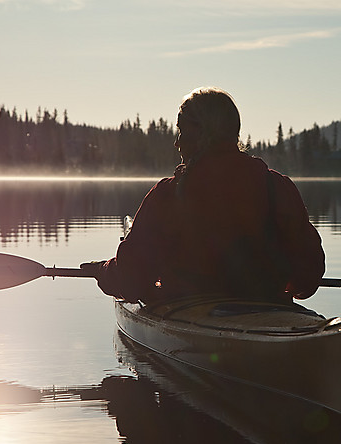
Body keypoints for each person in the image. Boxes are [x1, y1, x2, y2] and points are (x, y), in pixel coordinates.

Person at [83, 87, 325, 304]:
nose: (177, 143)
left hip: (189, 311)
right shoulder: (277, 187)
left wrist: (104, 272)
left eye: (182, 131)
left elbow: (130, 282)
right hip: (269, 309)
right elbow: (308, 279)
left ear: (203, 134)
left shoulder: (168, 195)